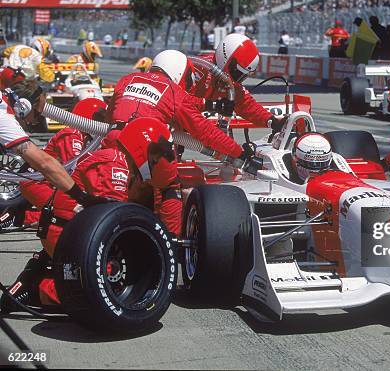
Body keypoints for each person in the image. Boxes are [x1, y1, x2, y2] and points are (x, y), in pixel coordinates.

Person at [0, 117, 176, 312]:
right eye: (160, 153)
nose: (164, 157)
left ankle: (50, 264)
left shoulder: (125, 164)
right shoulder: (114, 164)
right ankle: (38, 287)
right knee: (107, 289)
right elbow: (111, 221)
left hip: (78, 229)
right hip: (65, 232)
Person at [106, 49, 253, 236]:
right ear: (178, 72)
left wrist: (211, 105)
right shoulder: (174, 91)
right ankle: (171, 243)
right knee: (170, 189)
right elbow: (206, 132)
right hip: (146, 148)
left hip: (114, 143)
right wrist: (239, 152)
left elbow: (109, 115)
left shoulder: (127, 79)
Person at [20, 97, 107, 226]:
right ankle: (20, 217)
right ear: (89, 118)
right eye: (100, 119)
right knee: (66, 211)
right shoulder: (72, 134)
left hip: (46, 181)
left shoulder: (84, 136)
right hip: (35, 181)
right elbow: (74, 167)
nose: (102, 124)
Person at [191, 34, 285, 130]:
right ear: (225, 59)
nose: (239, 80)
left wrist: (273, 122)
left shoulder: (231, 84)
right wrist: (210, 105)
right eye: (239, 73)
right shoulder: (197, 68)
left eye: (244, 76)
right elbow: (179, 99)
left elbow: (247, 105)